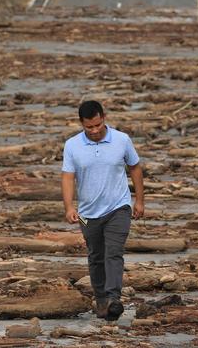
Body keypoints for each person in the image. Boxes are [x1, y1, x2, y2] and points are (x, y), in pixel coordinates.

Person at [61, 100, 144, 322]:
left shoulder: (122, 140)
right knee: (96, 256)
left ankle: (114, 298)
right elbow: (68, 177)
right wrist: (69, 207)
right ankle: (101, 300)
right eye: (90, 127)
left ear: (103, 118)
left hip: (119, 207)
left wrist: (139, 201)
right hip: (88, 214)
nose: (95, 131)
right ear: (82, 124)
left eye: (98, 125)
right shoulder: (72, 146)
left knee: (113, 252)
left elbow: (135, 168)